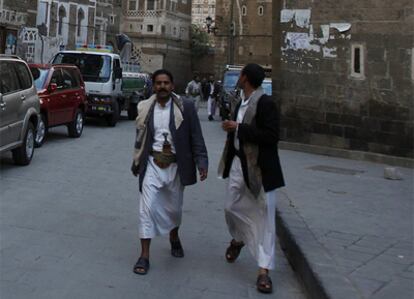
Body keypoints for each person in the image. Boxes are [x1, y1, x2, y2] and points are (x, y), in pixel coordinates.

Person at [131, 69, 208, 275]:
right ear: (153, 86)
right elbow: (140, 138)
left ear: (172, 86)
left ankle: (174, 236)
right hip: (152, 164)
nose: (162, 86)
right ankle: (144, 256)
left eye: (166, 83)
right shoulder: (146, 108)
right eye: (158, 83)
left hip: (176, 167)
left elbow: (196, 137)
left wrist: (202, 162)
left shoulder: (186, 108)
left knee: (174, 210)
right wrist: (137, 160)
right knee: (145, 209)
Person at [218, 63, 285, 293]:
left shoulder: (265, 104)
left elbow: (272, 136)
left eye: (239, 76)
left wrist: (239, 128)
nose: (237, 78)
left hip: (261, 168)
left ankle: (263, 271)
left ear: (245, 78)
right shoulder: (240, 102)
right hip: (239, 164)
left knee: (265, 218)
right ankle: (239, 238)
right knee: (230, 207)